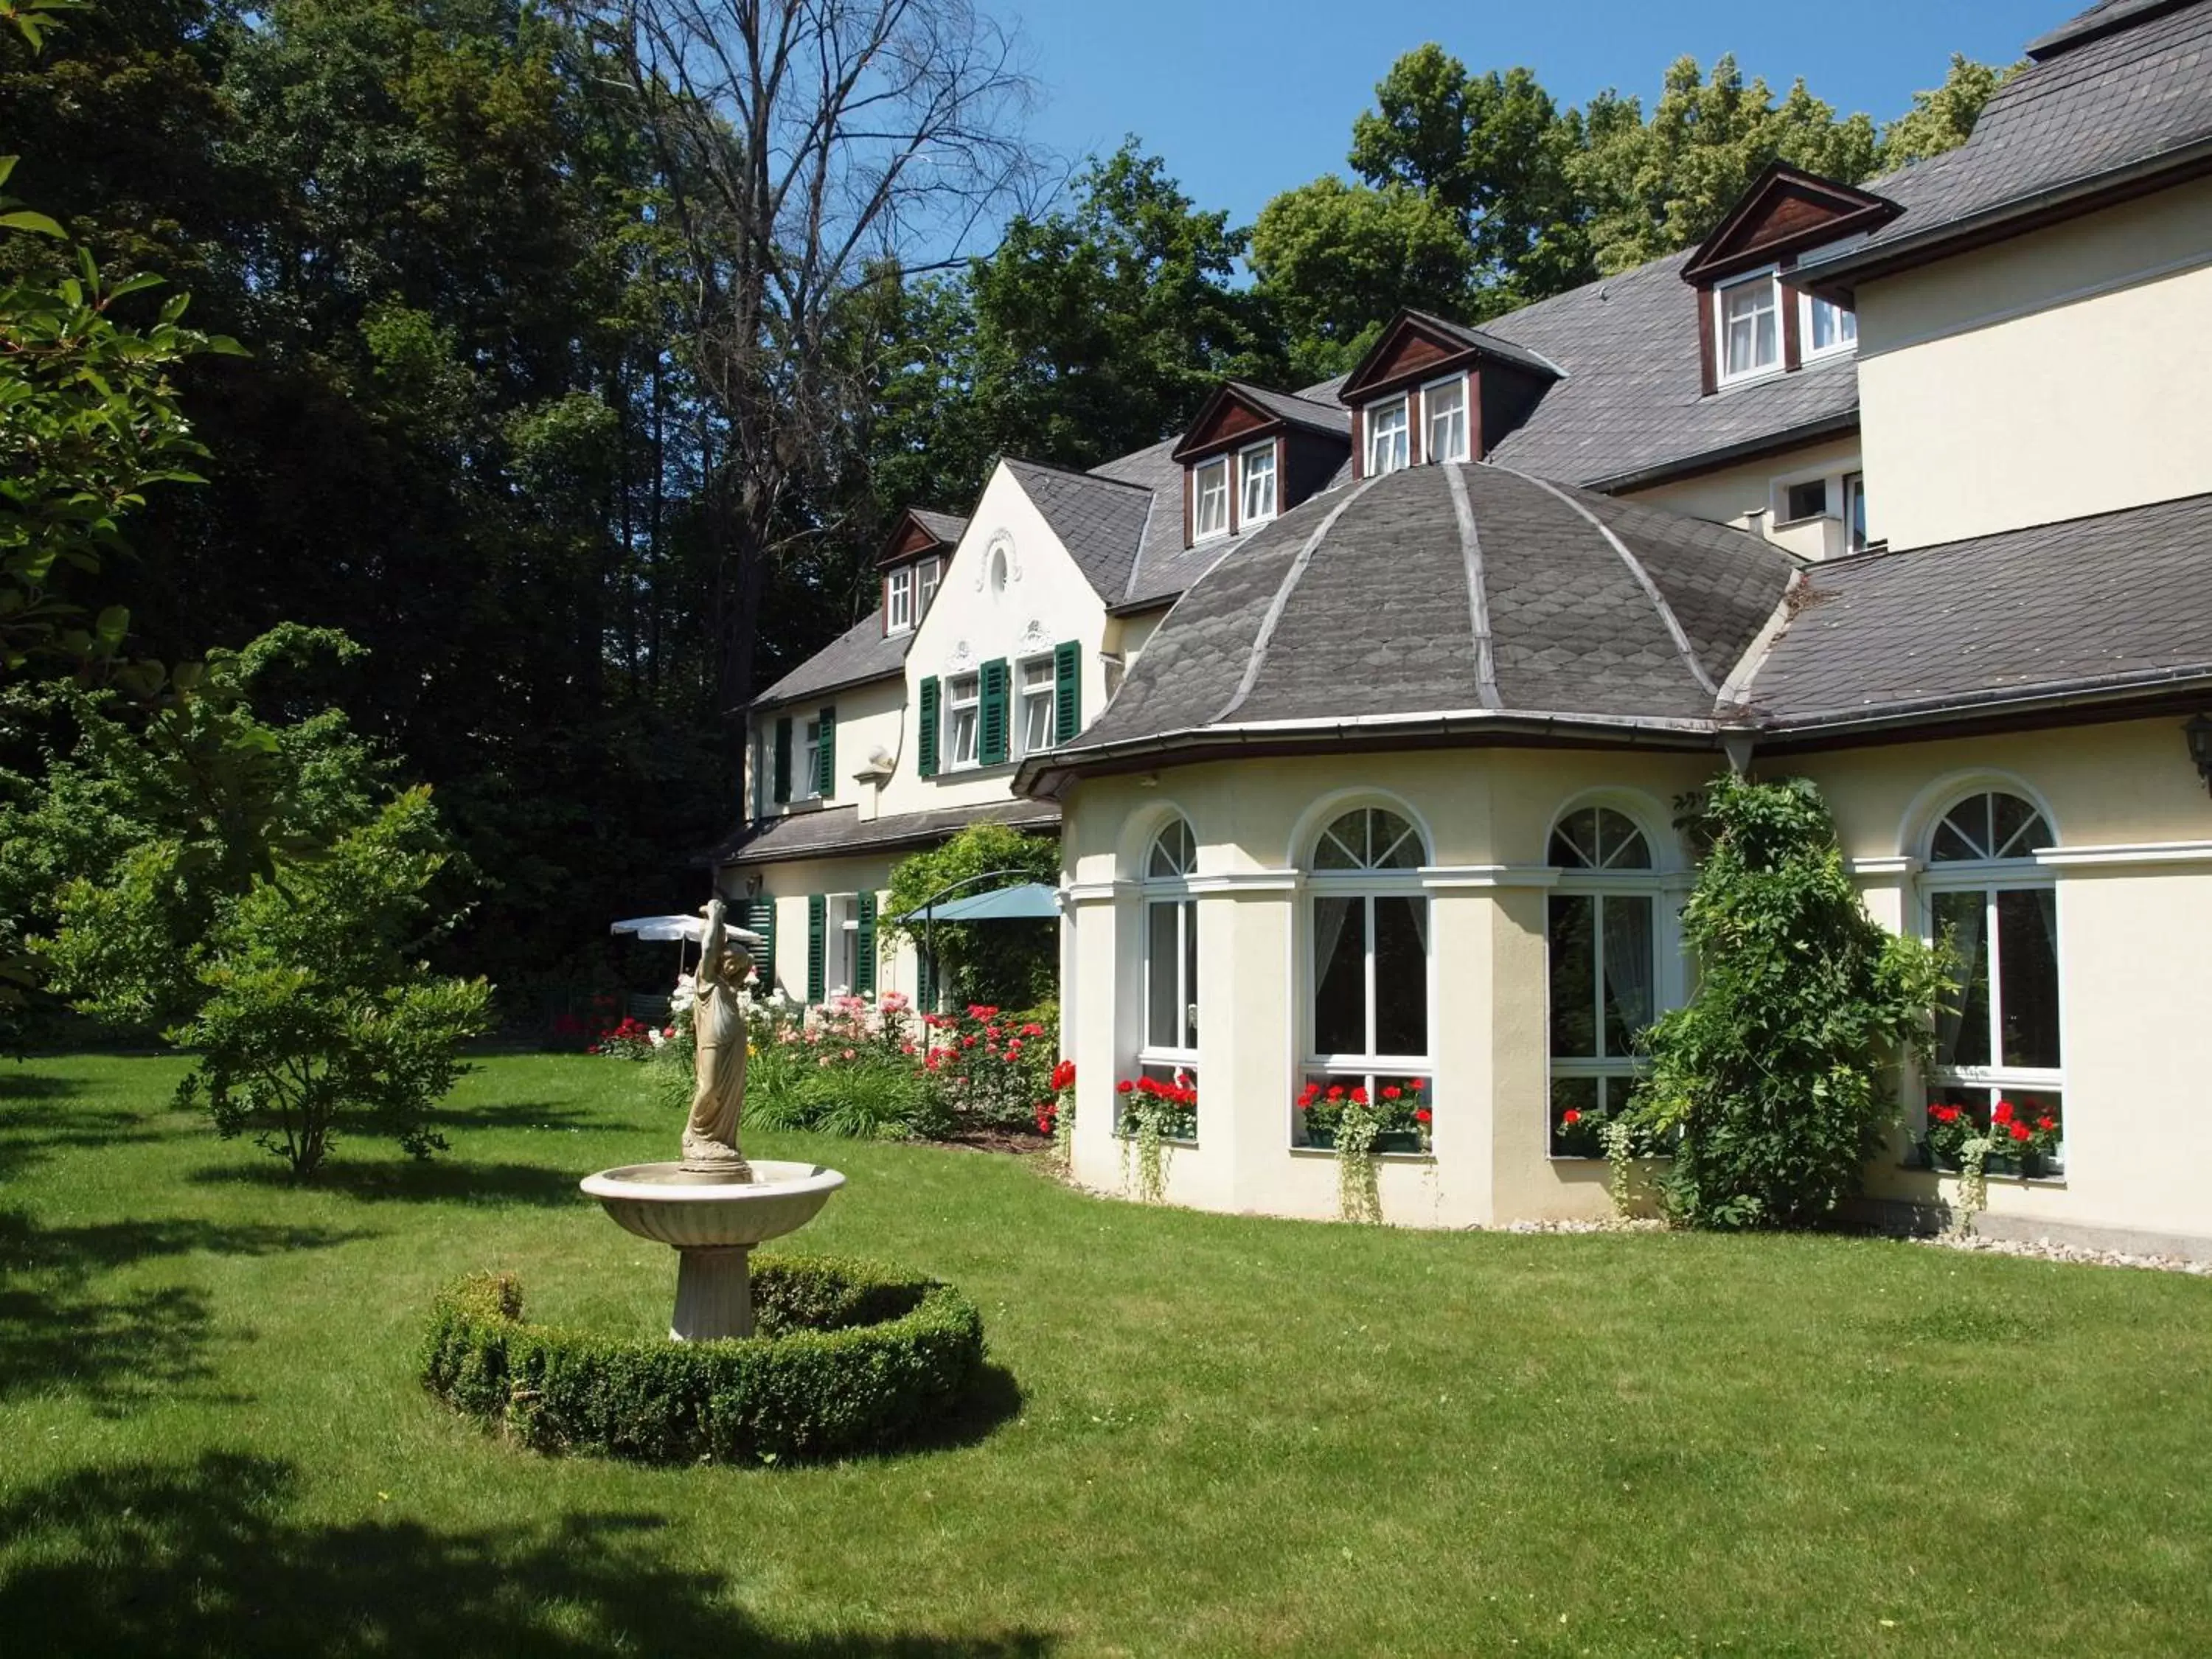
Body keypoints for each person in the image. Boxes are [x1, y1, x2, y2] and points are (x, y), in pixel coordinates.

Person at [681, 898, 752, 1176]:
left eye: (737, 964)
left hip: (732, 1045)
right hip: (713, 1042)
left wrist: (738, 952)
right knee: (709, 1087)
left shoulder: (727, 984)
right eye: (730, 961)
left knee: (725, 1094)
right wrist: (715, 916)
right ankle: (693, 1134)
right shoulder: (706, 978)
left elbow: (748, 962)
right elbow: (710, 947)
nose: (733, 967)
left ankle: (716, 1139)